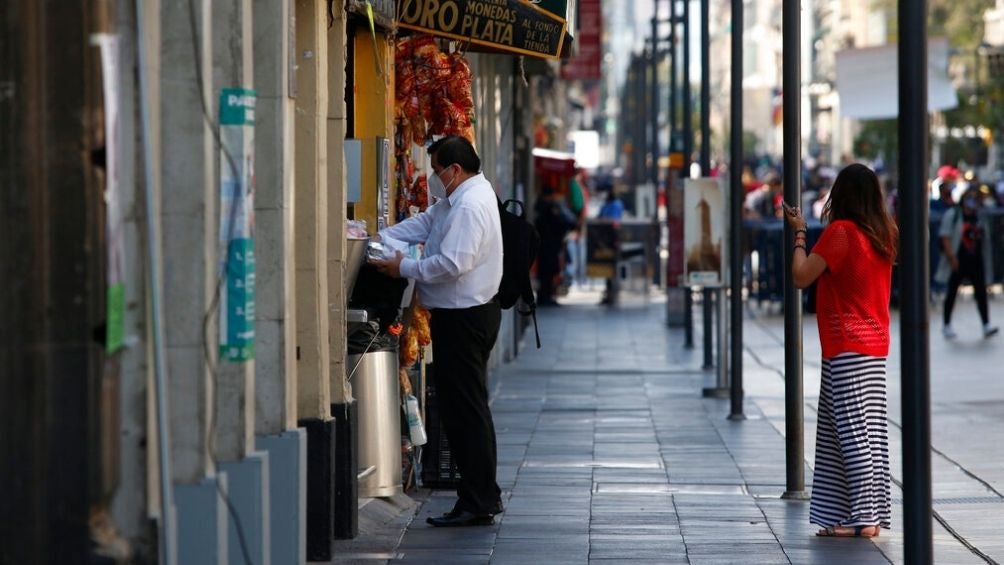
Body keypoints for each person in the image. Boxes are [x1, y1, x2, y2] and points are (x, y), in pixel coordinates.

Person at [369, 136, 504, 527]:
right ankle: (478, 495)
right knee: (464, 408)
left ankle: (479, 498)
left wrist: (404, 268)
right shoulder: (455, 201)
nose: (433, 178)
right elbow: (425, 223)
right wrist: (384, 239)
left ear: (455, 170)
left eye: (437, 170)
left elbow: (454, 263)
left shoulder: (471, 205)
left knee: (466, 410)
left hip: (467, 317)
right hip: (458, 316)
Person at [784, 163, 896, 538]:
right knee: (865, 431)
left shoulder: (842, 233)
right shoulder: (882, 233)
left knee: (847, 430)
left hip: (846, 343)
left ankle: (862, 517)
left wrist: (799, 234)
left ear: (842, 195)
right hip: (874, 345)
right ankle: (856, 515)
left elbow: (801, 276)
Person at [937, 186, 999, 339]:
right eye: (969, 198)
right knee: (951, 292)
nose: (972, 202)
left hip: (976, 261)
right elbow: (945, 236)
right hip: (958, 261)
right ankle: (946, 325)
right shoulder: (954, 215)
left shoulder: (979, 216)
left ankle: (986, 324)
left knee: (981, 293)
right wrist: (952, 258)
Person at [534, 187, 577, 306]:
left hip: (545, 245)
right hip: (549, 245)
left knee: (546, 272)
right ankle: (545, 297)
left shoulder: (540, 207)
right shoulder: (548, 208)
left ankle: (544, 296)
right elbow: (559, 223)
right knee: (548, 272)